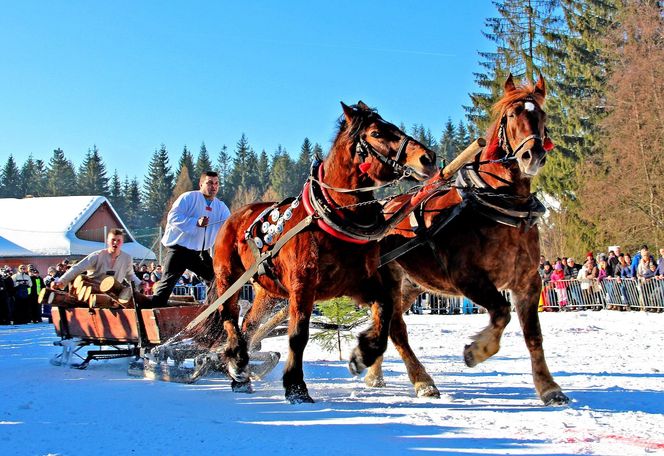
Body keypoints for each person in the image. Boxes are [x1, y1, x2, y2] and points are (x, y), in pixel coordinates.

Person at [151, 171, 231, 307]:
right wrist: (195, 222)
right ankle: (152, 314)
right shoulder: (188, 198)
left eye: (216, 183)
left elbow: (230, 225)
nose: (214, 186)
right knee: (166, 285)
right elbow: (173, 217)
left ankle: (212, 313)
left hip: (198, 253)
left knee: (215, 281)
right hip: (179, 250)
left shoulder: (221, 207)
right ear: (201, 184)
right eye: (210, 183)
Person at [51, 229, 142, 291]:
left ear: (122, 242)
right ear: (108, 241)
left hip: (114, 295)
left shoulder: (127, 258)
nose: (115, 243)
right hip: (93, 293)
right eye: (113, 240)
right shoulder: (96, 256)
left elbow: (130, 275)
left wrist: (140, 284)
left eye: (118, 240)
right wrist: (61, 281)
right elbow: (77, 268)